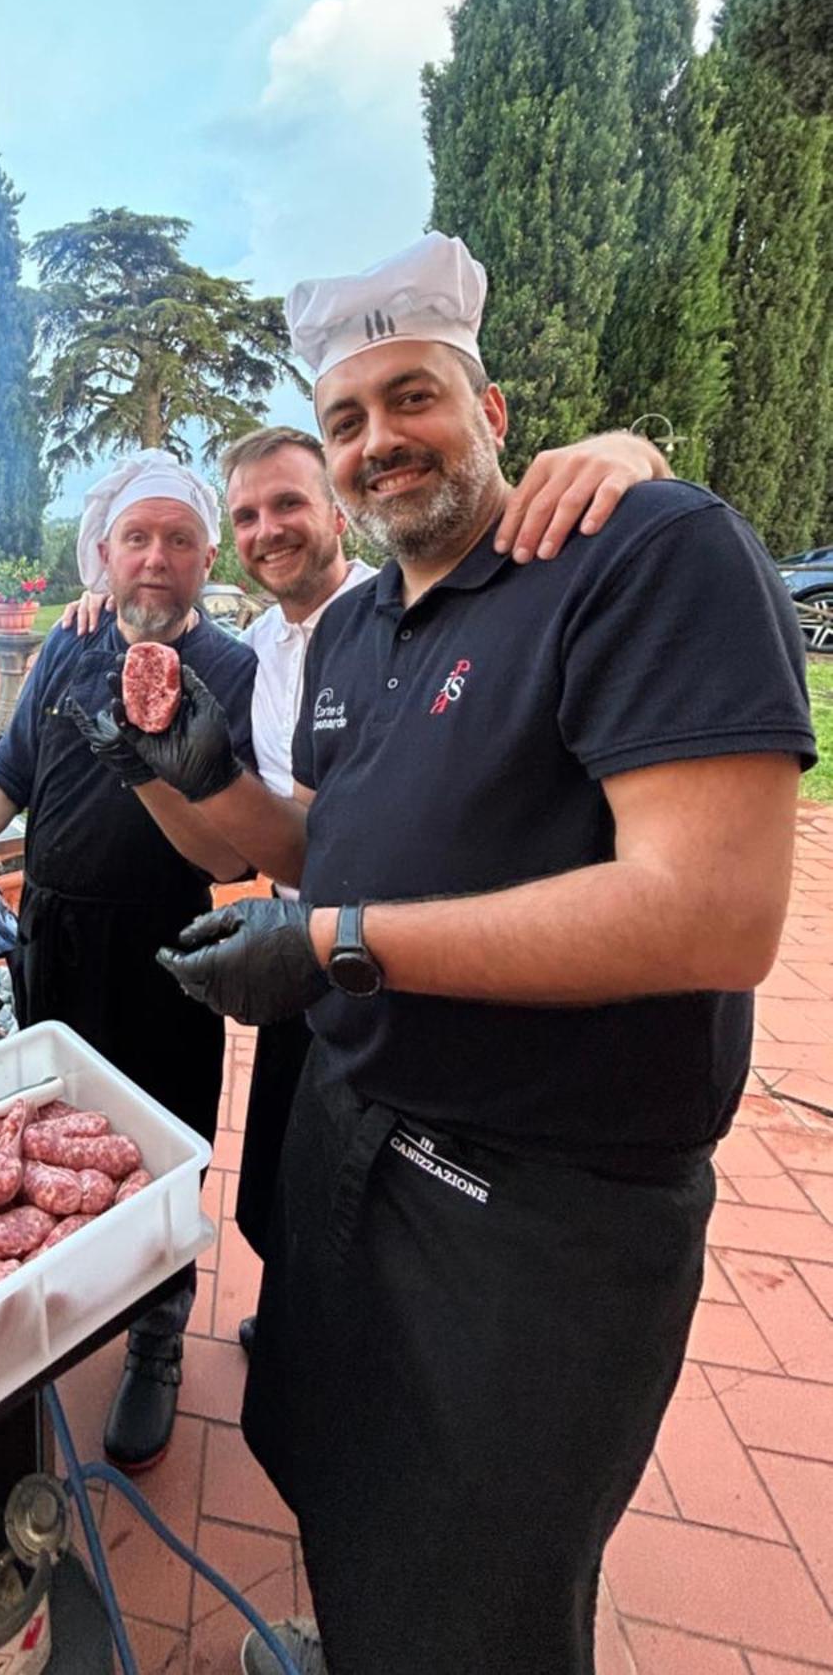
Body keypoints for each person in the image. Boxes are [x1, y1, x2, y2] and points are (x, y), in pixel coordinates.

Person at [84, 233, 815, 1675]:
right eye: (347, 418)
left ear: (490, 411)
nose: (377, 444)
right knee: (345, 1477)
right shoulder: (356, 631)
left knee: (484, 1585)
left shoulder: (646, 555)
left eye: (412, 398)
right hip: (357, 1145)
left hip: (541, 1211)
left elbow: (715, 912)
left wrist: (341, 949)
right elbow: (308, 850)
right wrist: (175, 764)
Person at [66, 419, 671, 1352]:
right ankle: (303, 1319)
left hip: (443, 983)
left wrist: (630, 452)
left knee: (407, 1224)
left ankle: (348, 1341)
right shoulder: (268, 646)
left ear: (339, 511)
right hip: (310, 951)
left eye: (290, 504)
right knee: (281, 1177)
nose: (270, 529)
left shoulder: (398, 612)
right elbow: (304, 841)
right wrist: (185, 768)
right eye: (249, 514)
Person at [0, 450, 258, 1470]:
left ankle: (160, 1335)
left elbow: (232, 853)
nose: (157, 558)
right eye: (138, 537)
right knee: (47, 1135)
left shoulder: (233, 669)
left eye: (179, 539)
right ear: (105, 552)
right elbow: (6, 775)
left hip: (170, 948)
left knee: (165, 1145)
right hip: (55, 936)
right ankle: (62, 1295)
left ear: (207, 554)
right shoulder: (65, 646)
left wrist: (157, 768)